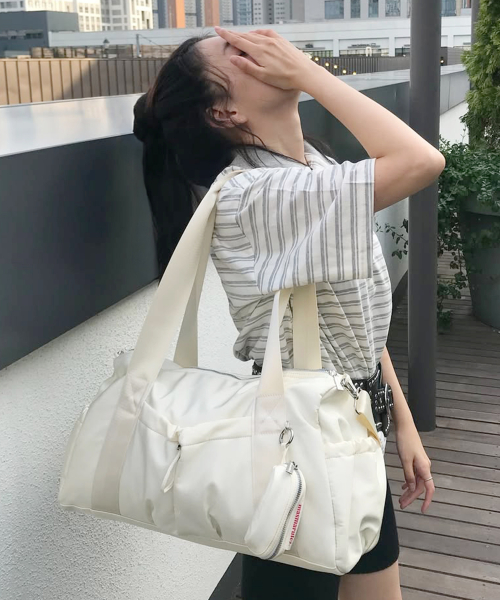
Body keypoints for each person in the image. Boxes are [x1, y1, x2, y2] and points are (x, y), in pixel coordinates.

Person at [133, 27, 441, 600]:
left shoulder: (312, 170)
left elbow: (352, 320)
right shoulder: (257, 196)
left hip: (349, 429)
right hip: (298, 445)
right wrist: (310, 73)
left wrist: (400, 422)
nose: (258, 47)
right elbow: (421, 160)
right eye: (234, 53)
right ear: (223, 111)